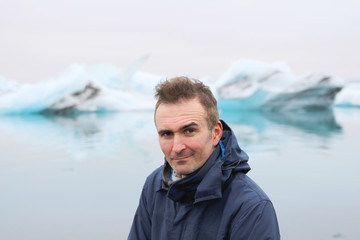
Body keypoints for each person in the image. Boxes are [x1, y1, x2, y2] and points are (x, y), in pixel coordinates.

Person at [128, 77, 280, 240]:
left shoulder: (250, 208)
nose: (177, 147)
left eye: (188, 131)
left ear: (215, 133)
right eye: (166, 134)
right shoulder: (155, 185)